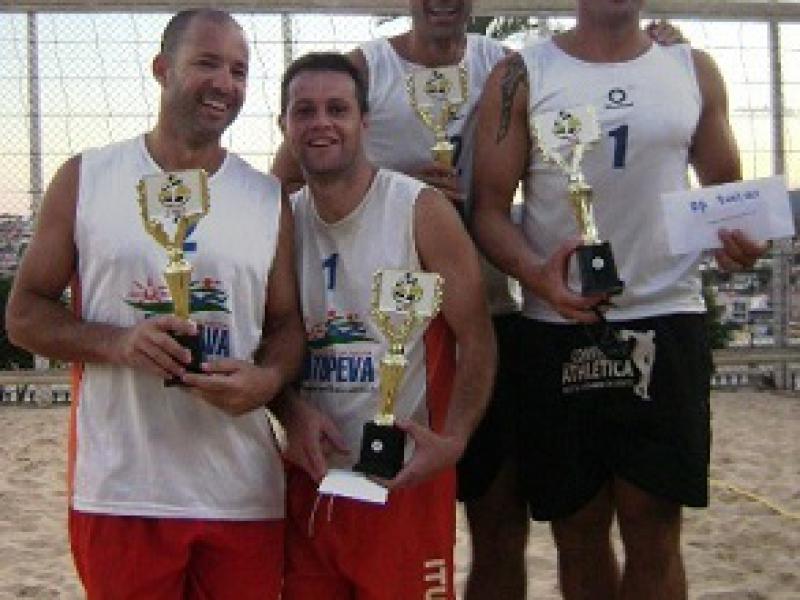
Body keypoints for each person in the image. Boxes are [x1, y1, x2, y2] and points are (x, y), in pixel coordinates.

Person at [272, 5, 688, 597]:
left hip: (488, 316)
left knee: (500, 527)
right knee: (374, 525)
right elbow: (292, 179)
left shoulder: (507, 67)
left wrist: (652, 44)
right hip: (384, 335)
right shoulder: (363, 69)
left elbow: (589, 66)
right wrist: (391, 187)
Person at [471, 0, 768, 598]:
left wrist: (740, 241)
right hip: (559, 322)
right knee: (578, 530)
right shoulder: (523, 73)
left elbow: (727, 195)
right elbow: (489, 211)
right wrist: (539, 276)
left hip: (666, 316)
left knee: (653, 526)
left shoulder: (692, 68)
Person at [5, 9, 304, 599]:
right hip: (122, 492)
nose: (225, 83)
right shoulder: (86, 178)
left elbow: (287, 325)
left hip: (241, 493)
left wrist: (267, 379)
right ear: (162, 68)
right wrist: (118, 343)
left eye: (239, 71)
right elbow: (24, 315)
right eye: (208, 63)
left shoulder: (266, 198)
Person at [274, 51, 496, 599]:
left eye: (337, 109)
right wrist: (290, 411)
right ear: (284, 126)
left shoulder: (419, 210)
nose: (321, 123)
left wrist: (454, 439)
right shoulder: (279, 221)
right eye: (304, 111)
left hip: (402, 477)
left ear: (364, 122)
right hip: (313, 477)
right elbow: (266, 344)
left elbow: (477, 339)